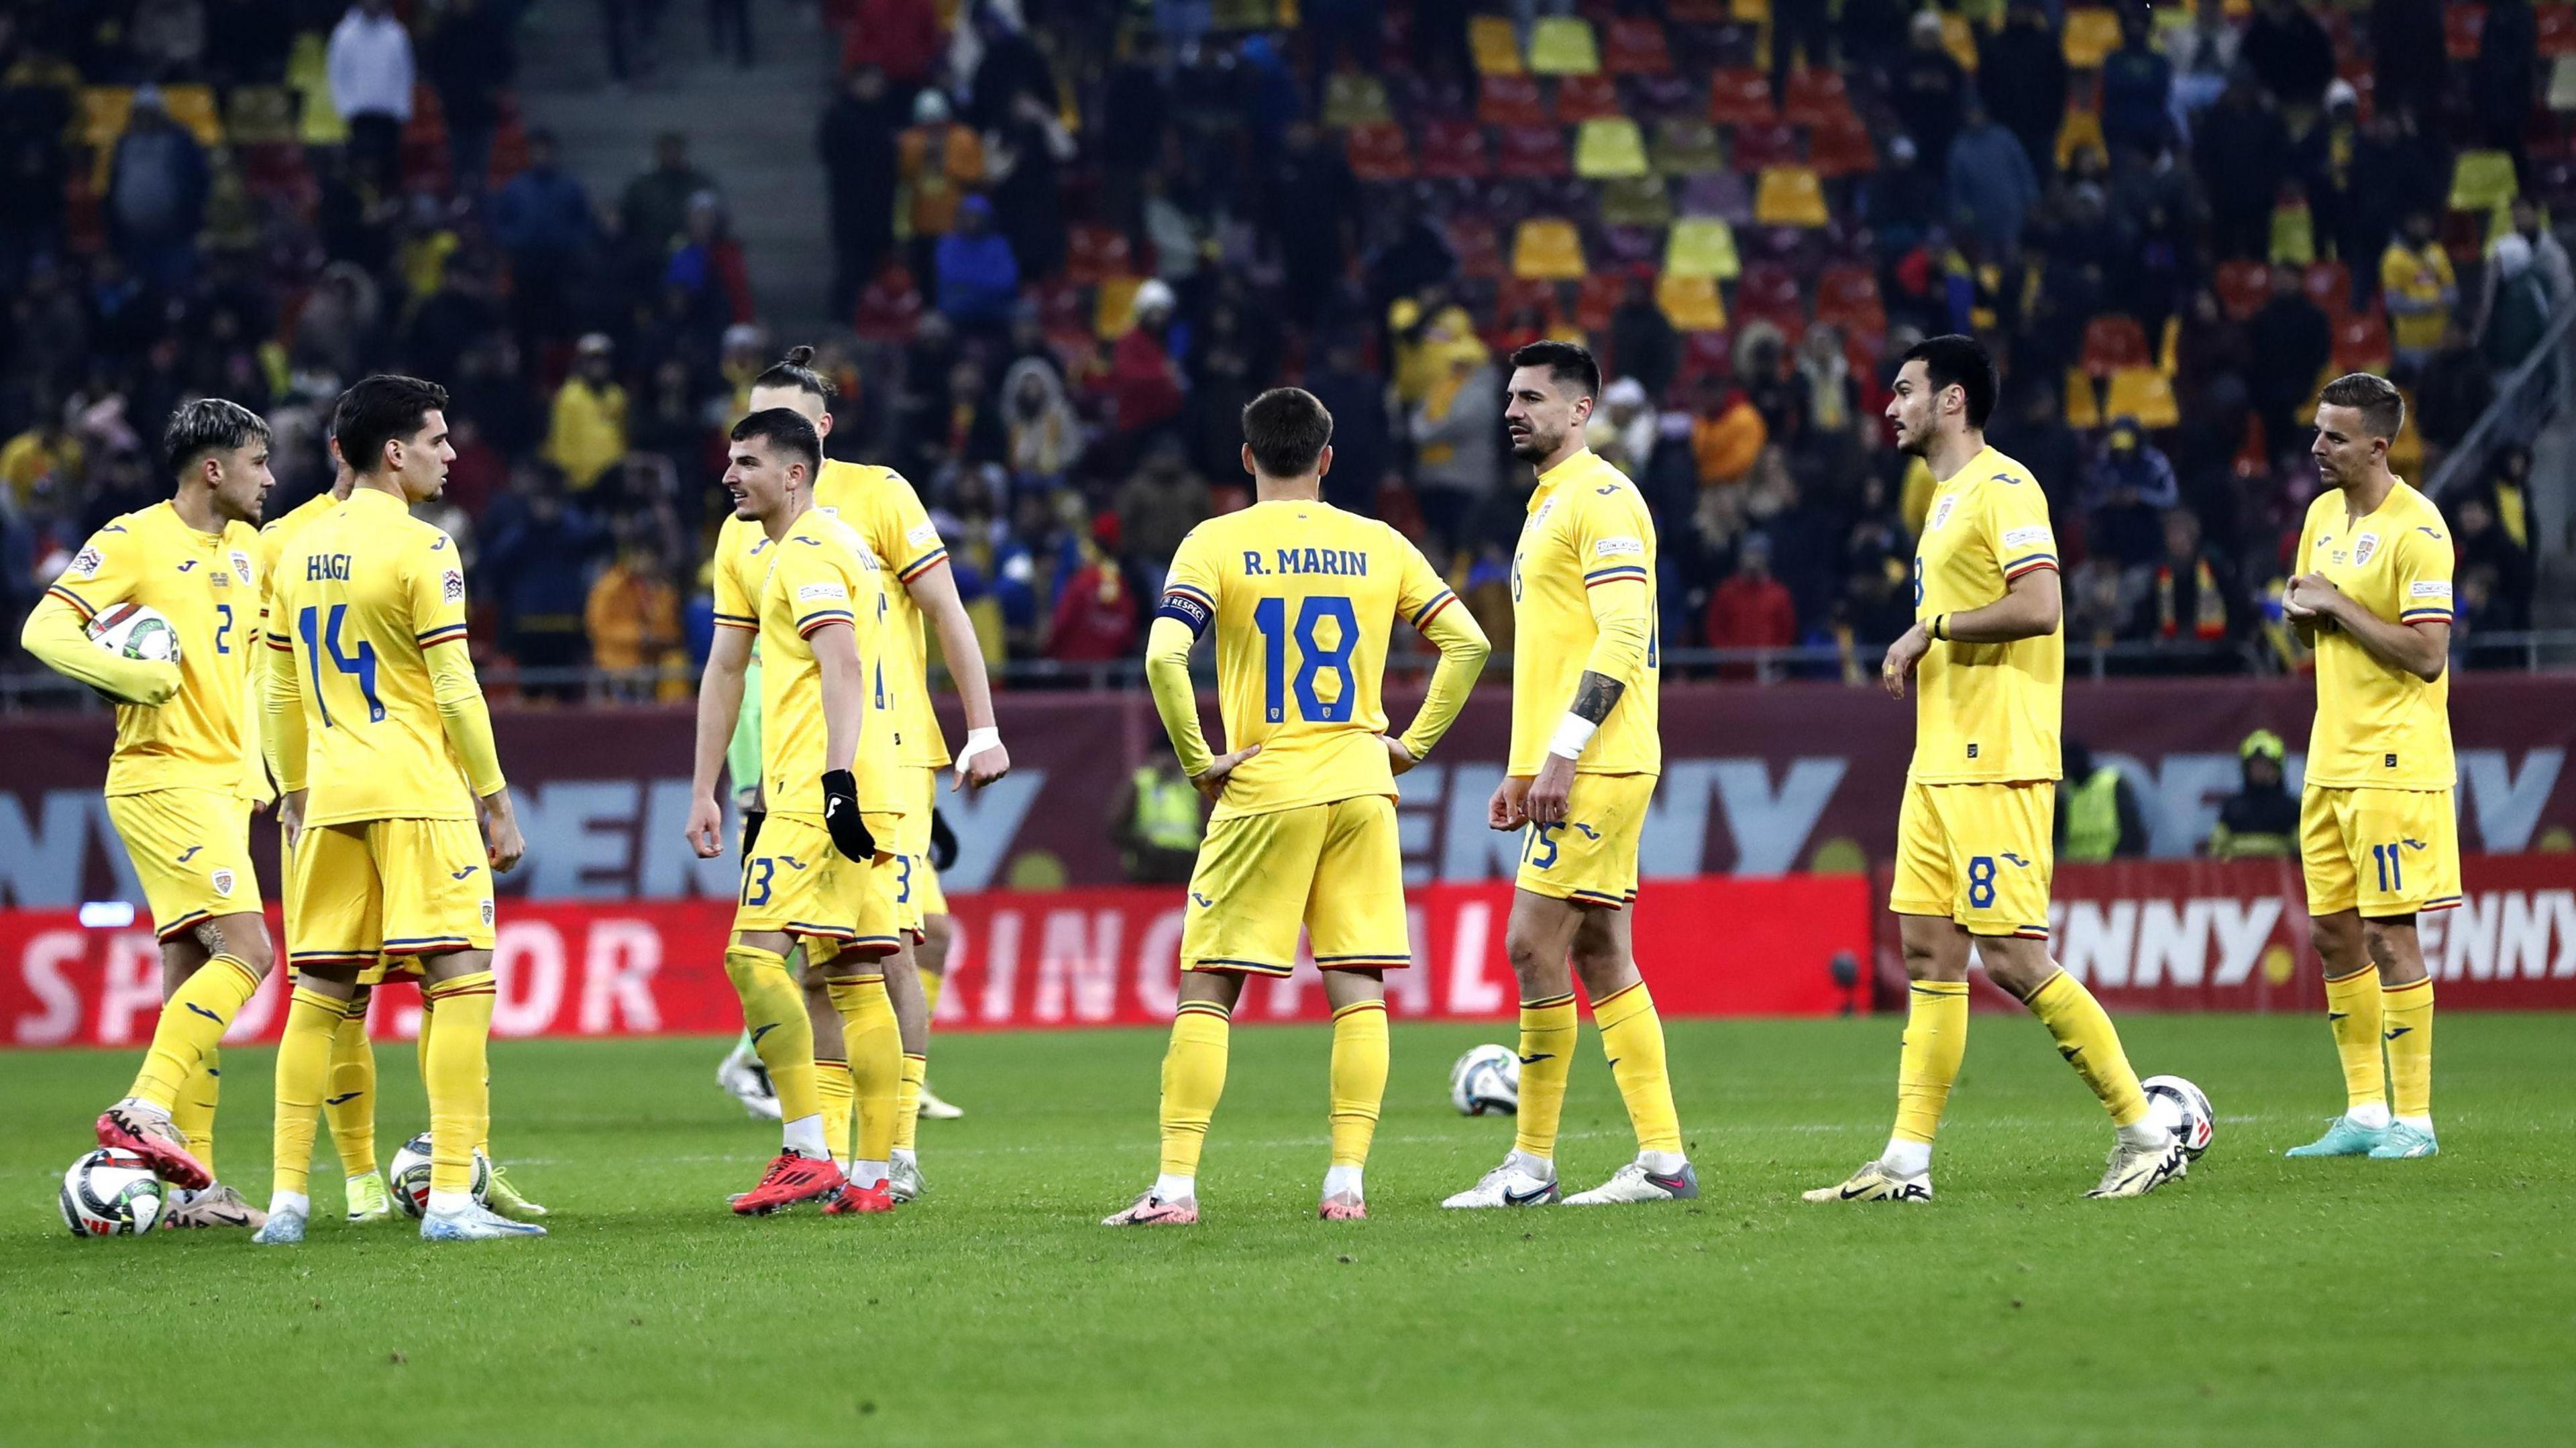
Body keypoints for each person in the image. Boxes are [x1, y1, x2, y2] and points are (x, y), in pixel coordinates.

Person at [1807, 335, 2184, 1205]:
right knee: (1930, 952)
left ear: (1951, 400)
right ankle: (1906, 1162)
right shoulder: (1941, 500)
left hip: (1998, 756)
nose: (1888, 406)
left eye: (1903, 390)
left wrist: (1932, 629)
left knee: (2013, 956)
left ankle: (2146, 1129)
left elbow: (2043, 603)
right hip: (1938, 758)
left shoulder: (2004, 486)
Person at [1105, 386, 1490, 1226]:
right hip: (1360, 784)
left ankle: (1174, 1189)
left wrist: (1200, 762)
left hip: (1266, 787)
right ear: (1326, 458)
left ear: (1245, 458)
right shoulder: (1379, 542)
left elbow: (1165, 658)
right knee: (1358, 987)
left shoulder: (1214, 542)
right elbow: (1469, 642)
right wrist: (1411, 742)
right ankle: (1345, 1183)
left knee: (1209, 986)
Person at [694, 349, 1012, 1190]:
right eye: (742, 432)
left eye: (766, 435)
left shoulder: (874, 498)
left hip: (879, 756)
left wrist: (980, 727)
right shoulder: (747, 531)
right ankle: (840, 1154)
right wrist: (722, 781)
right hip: (799, 764)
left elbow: (941, 611)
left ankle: (885, 1148)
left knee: (888, 950)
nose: (739, 458)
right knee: (839, 962)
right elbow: (733, 666)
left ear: (816, 434)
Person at [259, 376, 537, 1243]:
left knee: (320, 995)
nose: (451, 454)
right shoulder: (425, 548)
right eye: (438, 439)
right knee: (459, 981)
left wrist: (296, 789)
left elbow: (276, 684)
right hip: (418, 793)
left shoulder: (297, 547)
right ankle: (451, 1195)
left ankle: (285, 1201)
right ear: (394, 451)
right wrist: (496, 802)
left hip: (333, 797)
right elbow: (455, 687)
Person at [1444, 340, 1694, 1210]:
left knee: (1529, 943)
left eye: (1533, 397)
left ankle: (1531, 1165)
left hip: (1600, 757)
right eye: (1509, 396)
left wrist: (1562, 754)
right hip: (1582, 756)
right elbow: (1553, 649)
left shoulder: (1603, 498)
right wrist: (1524, 766)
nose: (1512, 409)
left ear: (1581, 410)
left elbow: (1622, 636)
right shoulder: (1551, 501)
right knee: (1599, 948)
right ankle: (1662, 1160)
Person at [17, 400, 278, 1231]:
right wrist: (132, 678)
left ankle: (195, 1190)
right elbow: (44, 629)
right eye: (258, 462)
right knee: (247, 949)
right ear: (214, 469)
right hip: (163, 778)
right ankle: (143, 1105)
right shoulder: (133, 539)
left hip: (225, 788)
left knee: (188, 970)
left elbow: (253, 676)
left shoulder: (250, 549)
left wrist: (268, 774)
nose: (269, 477)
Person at [686, 408, 902, 1216]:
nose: (729, 475)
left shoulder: (805, 549)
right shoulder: (843, 540)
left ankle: (808, 1148)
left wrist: (834, 781)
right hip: (869, 780)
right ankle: (874, 1176)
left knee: (752, 956)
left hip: (820, 789)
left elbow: (840, 662)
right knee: (855, 976)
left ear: (794, 474)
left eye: (746, 462)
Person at [2279, 373, 2459, 1161]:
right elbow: (2314, 627)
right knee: (2331, 931)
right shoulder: (2320, 516)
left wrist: (2338, 604)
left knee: (2391, 933)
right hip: (2331, 754)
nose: (2318, 447)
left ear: (2379, 446)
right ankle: (2363, 1111)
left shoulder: (2419, 529)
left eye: (2336, 437)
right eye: (2319, 432)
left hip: (2395, 756)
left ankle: (2414, 1121)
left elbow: (2427, 654)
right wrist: (2300, 615)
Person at [327, 0, 414, 196]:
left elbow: (404, 74)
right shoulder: (344, 34)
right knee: (360, 174)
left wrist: (402, 109)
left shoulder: (396, 34)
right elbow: (337, 74)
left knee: (389, 175)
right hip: (359, 116)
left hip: (389, 115)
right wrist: (345, 108)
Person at [1110, 732, 1206, 883]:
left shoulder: (1193, 787)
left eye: (1173, 756)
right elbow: (1115, 825)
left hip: (1186, 867)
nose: (1168, 762)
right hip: (1148, 869)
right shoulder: (1140, 784)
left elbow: (1208, 825)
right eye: (1163, 756)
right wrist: (1143, 846)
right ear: (1153, 758)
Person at [2209, 729, 2299, 860]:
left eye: (2266, 764)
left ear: (2278, 768)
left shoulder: (2291, 808)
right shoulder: (2232, 807)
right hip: (2236, 878)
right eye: (2256, 764)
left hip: (2281, 877)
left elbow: (2303, 850)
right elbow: (2216, 850)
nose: (2261, 770)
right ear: (2246, 769)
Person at [2057, 738, 2147, 863]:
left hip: (2110, 870)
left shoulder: (2112, 783)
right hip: (2076, 871)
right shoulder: (2065, 793)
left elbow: (2132, 832)